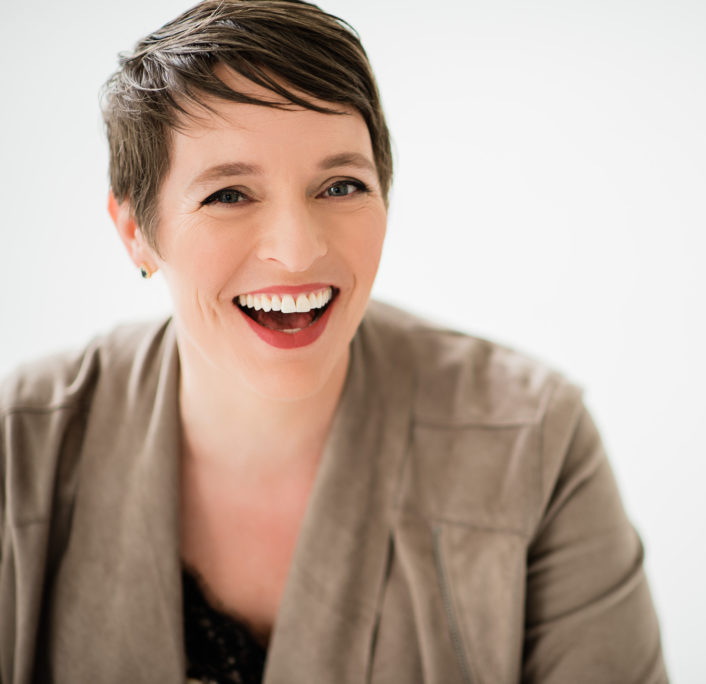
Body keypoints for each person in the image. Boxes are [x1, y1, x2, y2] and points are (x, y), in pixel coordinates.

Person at [0, 1, 667, 681]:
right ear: (135, 230)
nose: (296, 252)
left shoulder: (539, 441)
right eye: (229, 194)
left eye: (341, 185)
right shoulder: (21, 447)